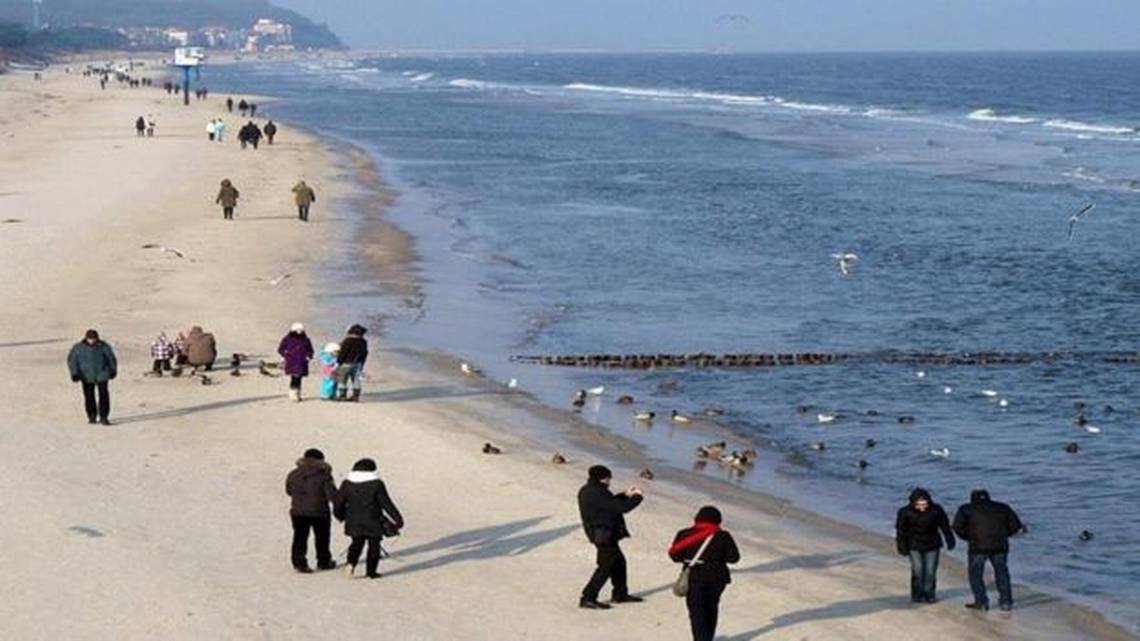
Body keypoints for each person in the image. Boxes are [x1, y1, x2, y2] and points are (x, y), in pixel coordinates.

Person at [669, 506, 741, 641]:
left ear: (697, 518)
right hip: (717, 578)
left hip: (694, 577)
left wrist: (690, 558)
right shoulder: (723, 535)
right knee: (711, 609)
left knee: (697, 613)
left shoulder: (684, 533)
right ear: (718, 520)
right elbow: (734, 558)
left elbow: (674, 556)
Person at [577, 465, 644, 609]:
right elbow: (621, 508)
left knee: (619, 563)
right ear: (603, 478)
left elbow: (609, 503)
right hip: (602, 534)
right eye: (608, 478)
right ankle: (588, 598)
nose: (610, 481)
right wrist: (638, 497)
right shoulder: (596, 492)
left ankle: (620, 594)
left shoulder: (591, 489)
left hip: (605, 533)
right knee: (605, 566)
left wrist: (625, 494)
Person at [952, 489, 1025, 612]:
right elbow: (1016, 526)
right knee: (1002, 573)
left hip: (977, 547)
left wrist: (969, 537)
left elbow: (957, 527)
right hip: (1000, 546)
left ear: (972, 498)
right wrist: (1004, 535)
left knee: (976, 574)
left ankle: (981, 602)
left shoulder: (966, 509)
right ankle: (1006, 602)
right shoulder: (1003, 507)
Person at [333, 458, 404, 579]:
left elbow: (338, 502)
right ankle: (371, 572)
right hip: (373, 519)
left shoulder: (347, 483)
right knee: (374, 545)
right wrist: (398, 519)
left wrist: (340, 516)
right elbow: (386, 503)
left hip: (353, 520)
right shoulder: (377, 484)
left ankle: (350, 564)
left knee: (356, 543)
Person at [896, 488, 955, 604]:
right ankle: (917, 594)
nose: (922, 506)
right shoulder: (904, 512)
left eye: (924, 504)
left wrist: (950, 539)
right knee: (918, 570)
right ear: (913, 503)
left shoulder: (937, 510)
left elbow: (945, 526)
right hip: (914, 544)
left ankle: (929, 594)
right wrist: (901, 546)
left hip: (932, 544)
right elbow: (901, 531)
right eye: (919, 504)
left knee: (930, 571)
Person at [285, 448, 338, 573]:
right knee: (322, 537)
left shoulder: (293, 474)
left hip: (298, 511)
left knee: (300, 537)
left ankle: (299, 563)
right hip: (319, 511)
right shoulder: (323, 475)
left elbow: (288, 490)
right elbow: (331, 494)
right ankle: (324, 561)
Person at [66, 329, 117, 425]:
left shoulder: (104, 346)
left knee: (104, 396)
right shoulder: (78, 347)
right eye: (90, 339)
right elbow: (72, 360)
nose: (92, 341)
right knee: (89, 396)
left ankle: (104, 416)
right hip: (86, 375)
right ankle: (92, 415)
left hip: (102, 374)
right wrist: (74, 373)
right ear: (86, 338)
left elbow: (111, 358)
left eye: (94, 339)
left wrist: (113, 370)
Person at [278, 322, 315, 402]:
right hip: (291, 362)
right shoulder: (287, 339)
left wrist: (309, 357)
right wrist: (285, 355)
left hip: (302, 362)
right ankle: (293, 395)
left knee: (299, 379)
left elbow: (310, 350)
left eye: (301, 330)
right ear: (293, 330)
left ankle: (297, 394)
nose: (299, 332)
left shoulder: (306, 339)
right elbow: (280, 349)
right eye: (298, 330)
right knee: (294, 378)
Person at [335, 324, 368, 401]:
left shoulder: (347, 341)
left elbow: (343, 353)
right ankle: (356, 396)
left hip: (346, 363)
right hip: (358, 363)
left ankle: (342, 396)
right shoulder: (363, 341)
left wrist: (338, 362)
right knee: (356, 380)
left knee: (342, 379)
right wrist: (362, 364)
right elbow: (365, 354)